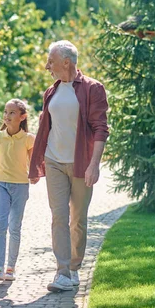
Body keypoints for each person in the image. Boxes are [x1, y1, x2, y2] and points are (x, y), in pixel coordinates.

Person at [28, 40, 110, 292]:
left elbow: (100, 129)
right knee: (59, 217)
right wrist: (36, 162)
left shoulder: (92, 89)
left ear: (66, 62)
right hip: (53, 161)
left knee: (78, 220)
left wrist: (94, 165)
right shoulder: (51, 91)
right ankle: (62, 272)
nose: (46, 66)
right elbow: (45, 128)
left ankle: (74, 267)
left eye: (50, 61)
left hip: (81, 163)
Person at [0, 99, 35, 282]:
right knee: (1, 224)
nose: (7, 116)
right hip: (0, 183)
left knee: (15, 227)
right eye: (5, 112)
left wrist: (35, 175)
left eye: (12, 113)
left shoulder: (28, 138)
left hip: (20, 186)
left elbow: (33, 164)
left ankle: (11, 268)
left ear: (22, 116)